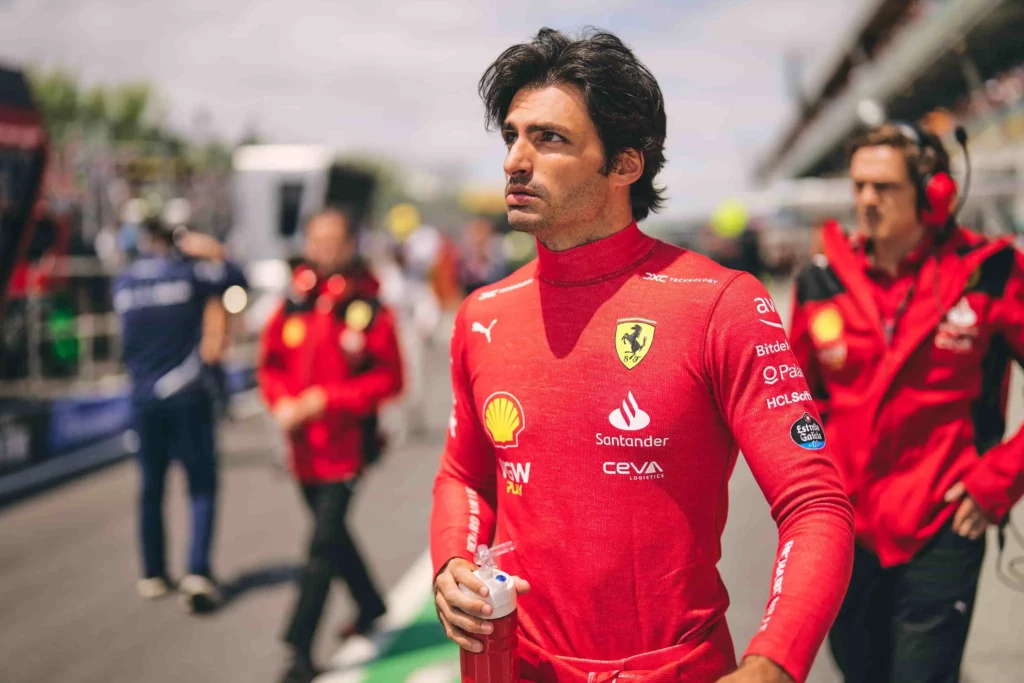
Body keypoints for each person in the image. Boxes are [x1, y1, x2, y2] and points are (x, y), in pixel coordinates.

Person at [430, 28, 854, 683]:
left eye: (549, 138)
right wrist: (452, 562)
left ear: (626, 164)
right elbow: (464, 474)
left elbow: (816, 503)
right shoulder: (483, 312)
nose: (515, 159)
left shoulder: (721, 302)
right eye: (512, 135)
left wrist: (774, 661)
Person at [789, 122, 1024, 683]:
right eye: (859, 186)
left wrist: (1001, 479)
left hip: (944, 518)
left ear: (934, 192)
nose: (866, 201)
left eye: (884, 187)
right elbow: (797, 402)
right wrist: (812, 490)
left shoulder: (988, 272)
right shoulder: (821, 280)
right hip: (845, 528)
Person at [257, 207, 403, 683]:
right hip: (302, 450)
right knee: (333, 537)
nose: (323, 250)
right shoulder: (294, 300)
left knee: (321, 546)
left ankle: (297, 648)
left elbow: (389, 378)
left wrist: (327, 400)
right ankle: (371, 604)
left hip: (348, 449)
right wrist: (282, 403)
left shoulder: (368, 304)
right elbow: (271, 364)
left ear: (351, 243)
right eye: (316, 240)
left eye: (333, 241)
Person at [113, 218, 247, 612]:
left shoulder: (123, 281)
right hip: (186, 395)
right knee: (201, 484)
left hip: (142, 399)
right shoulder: (187, 274)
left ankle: (153, 573)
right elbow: (238, 282)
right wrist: (216, 252)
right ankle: (197, 572)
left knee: (151, 486)